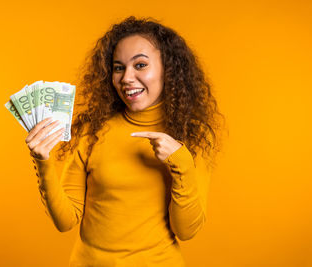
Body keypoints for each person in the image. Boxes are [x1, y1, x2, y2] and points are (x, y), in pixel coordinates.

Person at [25, 16, 224, 267]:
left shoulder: (192, 135)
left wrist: (181, 162)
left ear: (168, 69)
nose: (127, 77)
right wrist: (42, 162)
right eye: (119, 68)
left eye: (140, 65)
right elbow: (65, 221)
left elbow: (186, 231)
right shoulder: (94, 130)